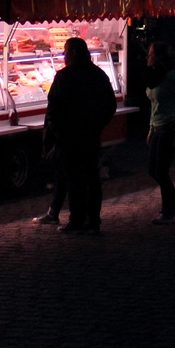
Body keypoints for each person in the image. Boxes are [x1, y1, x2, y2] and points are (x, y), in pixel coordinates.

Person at [42, 37, 118, 234]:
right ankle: (93, 220)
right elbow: (110, 105)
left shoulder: (64, 77)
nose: (63, 56)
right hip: (91, 135)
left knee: (74, 179)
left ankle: (76, 220)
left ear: (73, 53)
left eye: (65, 52)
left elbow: (53, 109)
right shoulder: (99, 75)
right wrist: (98, 125)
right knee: (92, 178)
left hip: (69, 137)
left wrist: (56, 134)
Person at [144, 41, 175, 224]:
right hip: (156, 128)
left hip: (167, 128)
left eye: (150, 54)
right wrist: (150, 128)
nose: (147, 57)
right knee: (153, 169)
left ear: (158, 56)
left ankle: (168, 209)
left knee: (161, 170)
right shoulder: (153, 76)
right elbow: (153, 104)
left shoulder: (171, 76)